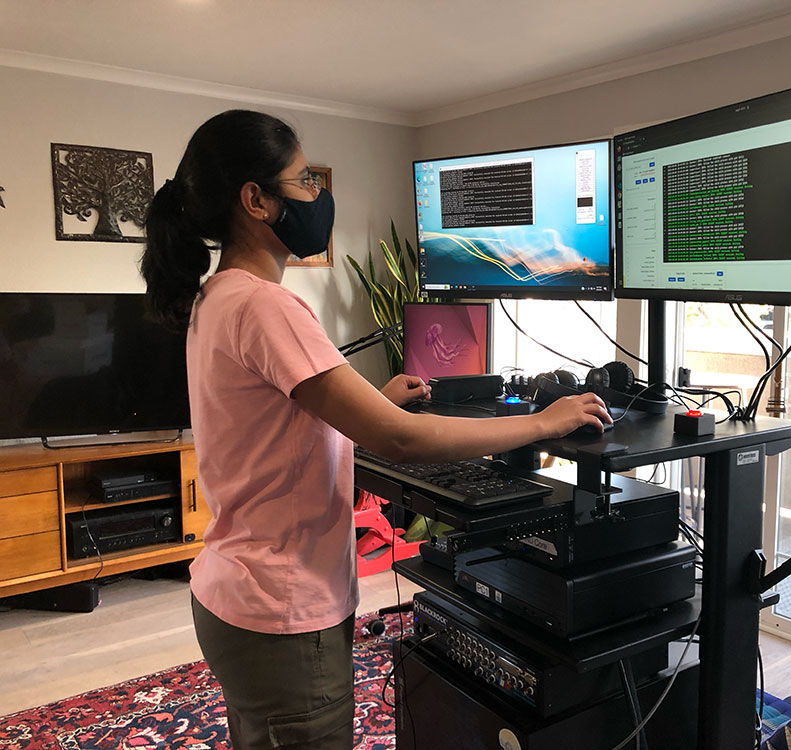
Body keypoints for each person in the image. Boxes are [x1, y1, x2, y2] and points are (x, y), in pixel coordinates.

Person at [140, 109, 610, 750]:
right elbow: (404, 440)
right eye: (304, 181)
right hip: (281, 608)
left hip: (236, 595)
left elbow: (275, 424)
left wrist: (374, 400)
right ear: (256, 200)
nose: (317, 196)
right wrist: (541, 422)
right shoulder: (265, 305)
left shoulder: (218, 297)